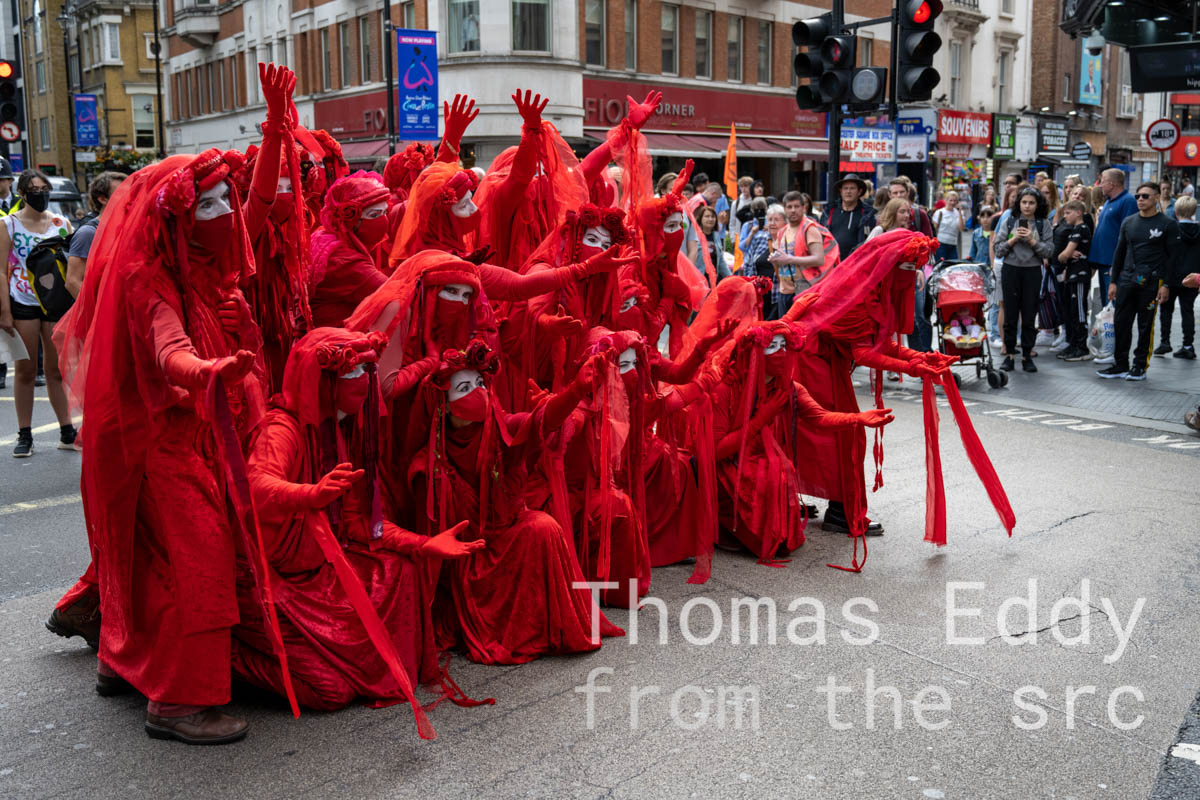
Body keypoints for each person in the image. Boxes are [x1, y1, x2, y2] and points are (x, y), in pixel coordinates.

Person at [0, 169, 76, 456]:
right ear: (22, 193)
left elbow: (72, 265)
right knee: (26, 370)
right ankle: (25, 434)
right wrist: (4, 312)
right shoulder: (8, 225)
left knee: (55, 370)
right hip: (23, 302)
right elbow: (0, 271)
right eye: (34, 190)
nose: (41, 194)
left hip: (55, 303)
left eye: (44, 189)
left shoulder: (61, 223)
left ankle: (67, 430)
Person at [1097, 182, 1178, 381]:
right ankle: (1121, 365)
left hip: (1152, 282)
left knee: (1145, 325)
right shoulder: (1129, 222)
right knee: (1121, 323)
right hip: (1126, 280)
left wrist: (1167, 284)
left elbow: (1173, 258)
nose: (1140, 199)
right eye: (1138, 196)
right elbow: (1119, 252)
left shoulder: (1168, 224)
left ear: (1156, 198)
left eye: (1145, 196)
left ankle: (1140, 366)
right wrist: (1113, 282)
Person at [994, 186, 1054, 373]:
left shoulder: (1043, 223)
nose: (1027, 206)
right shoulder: (1010, 221)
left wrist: (1032, 240)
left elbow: (1049, 251)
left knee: (1029, 315)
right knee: (1010, 314)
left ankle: (1027, 355)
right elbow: (998, 249)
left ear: (1037, 205)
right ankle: (1010, 354)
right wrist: (1013, 239)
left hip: (1032, 271)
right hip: (1011, 270)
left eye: (1031, 203)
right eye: (1024, 202)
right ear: (1018, 203)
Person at [65, 171, 126, 299]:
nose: (129, 196)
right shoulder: (88, 233)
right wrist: (97, 308)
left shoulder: (127, 229)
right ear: (102, 199)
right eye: (122, 192)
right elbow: (72, 281)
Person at [769, 190, 824, 318]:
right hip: (784, 291)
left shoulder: (809, 228)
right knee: (785, 329)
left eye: (796, 206)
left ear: (803, 208)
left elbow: (819, 259)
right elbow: (783, 258)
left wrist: (789, 259)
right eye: (789, 207)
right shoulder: (782, 231)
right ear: (785, 209)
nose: (793, 210)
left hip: (803, 291)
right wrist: (775, 259)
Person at [1092, 168, 1138, 310]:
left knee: (1113, 306)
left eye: (1102, 181)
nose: (1100, 185)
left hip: (1114, 264)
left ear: (1112, 184)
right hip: (1103, 261)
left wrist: (1119, 264)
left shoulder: (1128, 201)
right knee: (1107, 306)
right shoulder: (1109, 201)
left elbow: (1129, 235)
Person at [1052, 200, 1093, 361]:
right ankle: (1074, 343)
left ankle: (1082, 347)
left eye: (1068, 213)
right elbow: (1064, 255)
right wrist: (1066, 253)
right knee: (1072, 311)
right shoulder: (1075, 229)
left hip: (1079, 274)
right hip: (1072, 274)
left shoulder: (1080, 228)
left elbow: (1063, 256)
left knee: (1080, 311)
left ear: (1078, 213)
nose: (1065, 217)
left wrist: (1066, 253)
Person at [1158, 194, 1198, 360]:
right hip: (1192, 278)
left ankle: (1165, 341)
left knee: (1166, 309)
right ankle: (1188, 345)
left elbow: (1166, 255)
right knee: (1188, 310)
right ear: (1194, 211)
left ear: (1175, 211)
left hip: (1172, 277)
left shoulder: (1172, 229)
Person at [820, 173, 876, 260]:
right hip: (831, 261)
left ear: (859, 192)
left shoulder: (868, 214)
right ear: (841, 191)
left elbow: (870, 241)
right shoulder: (829, 211)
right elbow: (820, 236)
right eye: (845, 188)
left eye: (852, 188)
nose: (848, 191)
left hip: (856, 261)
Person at [745, 203, 785, 319]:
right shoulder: (759, 239)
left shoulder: (788, 243)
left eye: (776, 220)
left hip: (778, 297)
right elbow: (748, 264)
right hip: (758, 298)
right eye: (770, 220)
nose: (772, 223)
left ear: (785, 223)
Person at [931, 190, 966, 260]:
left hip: (953, 245)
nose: (952, 203)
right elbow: (934, 229)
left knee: (953, 265)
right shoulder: (939, 212)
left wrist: (959, 213)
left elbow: (961, 228)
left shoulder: (959, 213)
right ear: (946, 200)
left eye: (955, 201)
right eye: (950, 200)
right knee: (940, 264)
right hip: (941, 244)